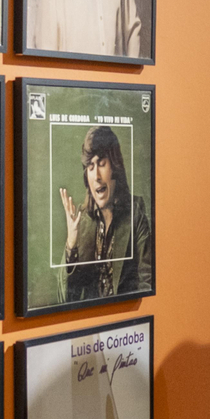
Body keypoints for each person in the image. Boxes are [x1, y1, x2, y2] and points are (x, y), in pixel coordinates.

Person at [61, 125, 154, 301]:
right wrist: (71, 243)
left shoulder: (136, 214)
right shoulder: (80, 219)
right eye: (90, 166)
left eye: (102, 164)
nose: (96, 175)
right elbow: (66, 297)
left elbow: (147, 282)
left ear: (115, 168)